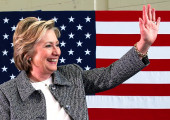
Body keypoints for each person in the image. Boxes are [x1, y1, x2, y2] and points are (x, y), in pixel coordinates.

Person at [0, 4, 160, 120]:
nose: (57, 51)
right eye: (48, 46)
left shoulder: (72, 75)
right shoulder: (6, 93)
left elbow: (109, 76)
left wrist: (144, 44)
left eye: (57, 44)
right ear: (28, 53)